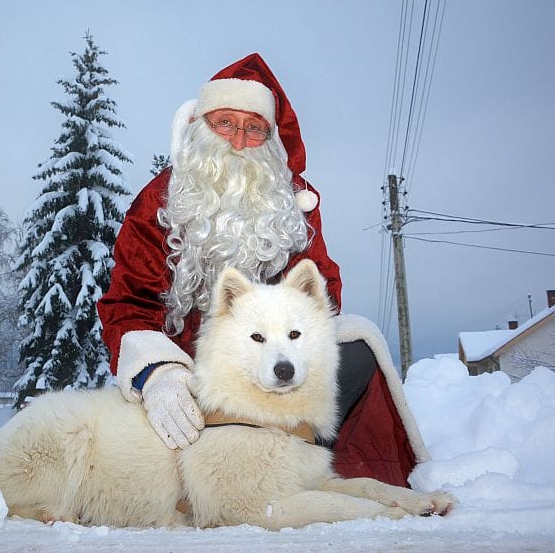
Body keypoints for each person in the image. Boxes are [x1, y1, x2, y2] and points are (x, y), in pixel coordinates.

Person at [97, 53, 429, 488]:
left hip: (273, 372)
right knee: (157, 413)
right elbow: (126, 302)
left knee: (358, 345)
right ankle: (227, 463)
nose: (238, 140)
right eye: (225, 123)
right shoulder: (159, 203)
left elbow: (321, 291)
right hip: (189, 376)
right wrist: (157, 374)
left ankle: (290, 459)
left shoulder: (293, 205)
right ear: (200, 126)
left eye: (254, 128)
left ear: (271, 142)